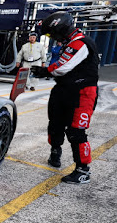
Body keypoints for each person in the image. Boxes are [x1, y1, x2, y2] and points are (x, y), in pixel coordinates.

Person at [32, 12, 99, 184]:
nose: (53, 38)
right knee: (55, 124)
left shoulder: (80, 43)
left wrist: (45, 70)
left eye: (52, 34)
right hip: (63, 90)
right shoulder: (70, 42)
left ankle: (83, 170)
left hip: (82, 94)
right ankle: (55, 152)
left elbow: (62, 67)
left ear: (61, 29)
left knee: (76, 132)